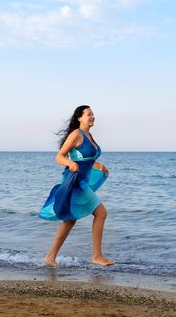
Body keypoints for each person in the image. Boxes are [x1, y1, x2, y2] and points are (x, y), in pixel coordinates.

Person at [39, 105, 115, 267]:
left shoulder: (89, 135)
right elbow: (59, 156)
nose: (92, 116)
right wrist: (69, 163)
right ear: (79, 118)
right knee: (101, 213)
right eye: (89, 114)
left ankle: (50, 257)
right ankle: (97, 255)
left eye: (93, 114)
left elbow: (87, 160)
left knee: (69, 221)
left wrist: (100, 167)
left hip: (83, 182)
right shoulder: (76, 134)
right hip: (75, 182)